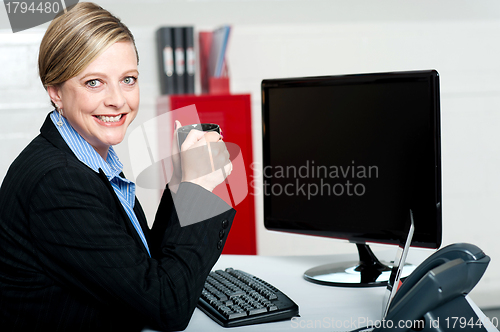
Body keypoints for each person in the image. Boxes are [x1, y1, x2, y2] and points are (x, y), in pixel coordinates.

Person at [0, 2, 234, 331]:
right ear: (55, 92)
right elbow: (168, 306)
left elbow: (142, 265)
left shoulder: (90, 157)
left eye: (128, 79)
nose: (118, 100)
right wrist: (198, 191)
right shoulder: (59, 181)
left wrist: (182, 183)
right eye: (94, 82)